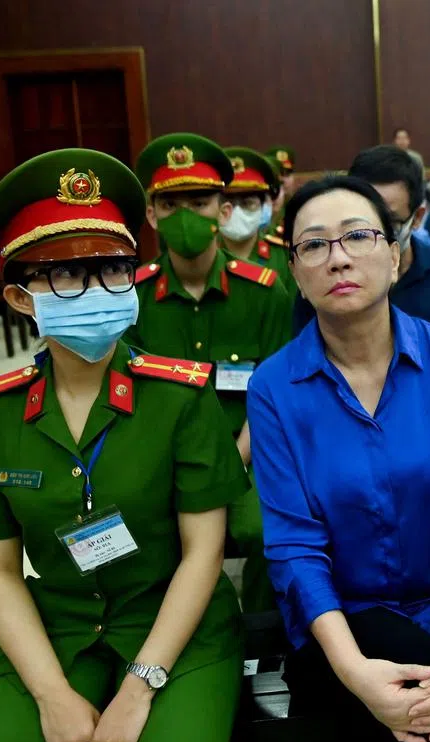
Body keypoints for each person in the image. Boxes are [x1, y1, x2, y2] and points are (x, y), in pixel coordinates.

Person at [0, 148, 247, 742]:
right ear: (19, 298)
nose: (97, 289)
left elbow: (203, 556)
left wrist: (140, 688)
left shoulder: (180, 397)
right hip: (55, 629)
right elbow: (0, 571)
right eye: (65, 274)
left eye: (114, 268)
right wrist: (49, 694)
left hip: (174, 626)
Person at [246, 174, 430, 742]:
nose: (337, 258)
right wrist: (355, 672)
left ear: (395, 257)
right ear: (295, 271)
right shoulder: (274, 388)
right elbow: (294, 546)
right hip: (338, 624)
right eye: (313, 244)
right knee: (426, 717)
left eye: (357, 236)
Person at [128, 133, 293, 612]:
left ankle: (265, 634)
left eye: (200, 202)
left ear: (223, 211)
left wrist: (233, 459)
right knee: (145, 535)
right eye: (170, 203)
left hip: (248, 448)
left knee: (266, 530)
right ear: (151, 214)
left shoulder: (265, 292)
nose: (186, 216)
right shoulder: (132, 299)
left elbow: (274, 392)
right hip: (163, 457)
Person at [293, 145, 430, 416]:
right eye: (362, 228)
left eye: (389, 222)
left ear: (417, 218)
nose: (378, 235)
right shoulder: (329, 279)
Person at [221, 146, 295, 294]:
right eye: (227, 204)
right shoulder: (203, 256)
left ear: (264, 206)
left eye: (247, 204)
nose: (236, 212)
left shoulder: (283, 256)